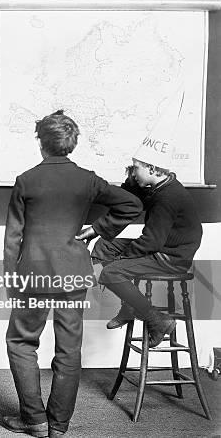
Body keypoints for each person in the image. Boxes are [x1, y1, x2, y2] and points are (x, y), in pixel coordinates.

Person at [3, 110, 142, 437]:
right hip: (74, 273)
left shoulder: (26, 180)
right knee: (68, 349)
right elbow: (131, 206)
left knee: (21, 342)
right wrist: (97, 229)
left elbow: (12, 236)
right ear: (72, 144)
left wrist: (11, 278)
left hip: (33, 274)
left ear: (41, 143)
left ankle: (33, 419)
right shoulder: (87, 179)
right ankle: (58, 425)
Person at [88, 135, 202, 347]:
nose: (132, 172)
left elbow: (150, 243)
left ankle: (157, 320)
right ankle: (130, 305)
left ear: (152, 169)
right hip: (164, 246)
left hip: (171, 256)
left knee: (111, 272)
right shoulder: (158, 185)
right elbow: (130, 195)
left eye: (136, 168)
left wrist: (120, 260)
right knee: (105, 245)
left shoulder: (167, 198)